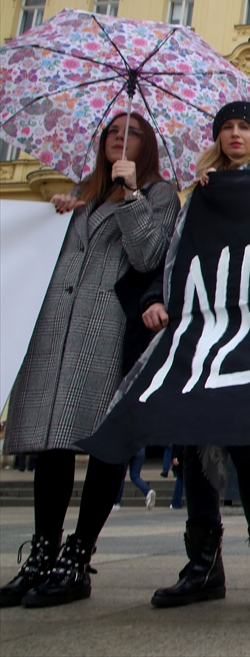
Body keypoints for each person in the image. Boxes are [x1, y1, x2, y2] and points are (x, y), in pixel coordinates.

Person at [0, 112, 179, 608]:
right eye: (114, 133)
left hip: (106, 330)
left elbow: (148, 256)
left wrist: (133, 196)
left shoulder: (160, 194)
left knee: (104, 444)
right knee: (51, 445)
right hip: (55, 330)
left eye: (133, 134)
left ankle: (78, 558)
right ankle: (42, 554)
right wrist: (55, 214)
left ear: (147, 146)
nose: (120, 140)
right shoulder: (82, 192)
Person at [146, 101, 250, 613]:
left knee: (247, 444)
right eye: (227, 128)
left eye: (244, 128)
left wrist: (237, 193)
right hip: (199, 326)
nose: (235, 135)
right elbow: (175, 253)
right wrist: (156, 298)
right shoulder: (200, 192)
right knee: (196, 441)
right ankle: (203, 566)